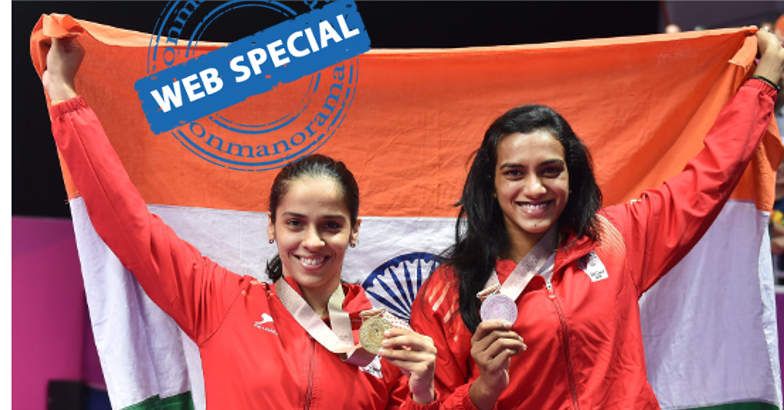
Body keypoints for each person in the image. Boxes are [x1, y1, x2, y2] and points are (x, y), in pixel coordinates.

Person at [41, 36, 439, 409]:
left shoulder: (385, 339)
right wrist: (62, 93)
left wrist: (423, 395)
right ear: (271, 226)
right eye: (295, 223)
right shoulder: (221, 303)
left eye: (331, 225)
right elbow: (127, 222)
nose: (313, 241)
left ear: (355, 231)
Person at [409, 29, 784, 409]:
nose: (535, 188)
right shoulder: (449, 290)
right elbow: (419, 403)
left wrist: (764, 80)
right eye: (514, 173)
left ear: (572, 177)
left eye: (551, 170)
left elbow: (709, 177)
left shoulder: (615, 239)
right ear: (491, 185)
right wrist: (480, 393)